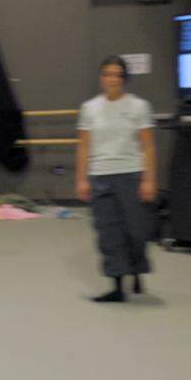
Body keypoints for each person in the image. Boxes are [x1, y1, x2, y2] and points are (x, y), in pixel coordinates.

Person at [76, 55, 157, 302]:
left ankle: (136, 272)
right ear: (102, 78)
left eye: (117, 75)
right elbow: (83, 147)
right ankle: (117, 286)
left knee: (136, 230)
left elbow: (148, 146)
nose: (112, 79)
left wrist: (149, 180)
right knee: (109, 233)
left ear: (124, 79)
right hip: (100, 176)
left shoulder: (139, 107)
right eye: (108, 74)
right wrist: (81, 179)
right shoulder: (89, 108)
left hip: (131, 175)